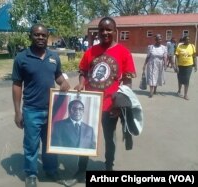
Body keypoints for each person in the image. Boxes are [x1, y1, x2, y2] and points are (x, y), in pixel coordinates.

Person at [65, 16, 136, 187]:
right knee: (84, 136)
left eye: (108, 29)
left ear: (114, 31)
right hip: (89, 103)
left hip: (111, 105)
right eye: (102, 29)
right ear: (98, 31)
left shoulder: (123, 52)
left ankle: (108, 169)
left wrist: (120, 104)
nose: (105, 32)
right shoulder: (91, 51)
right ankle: (81, 171)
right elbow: (82, 70)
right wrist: (81, 82)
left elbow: (127, 81)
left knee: (109, 139)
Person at [11, 23, 70, 187]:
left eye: (43, 35)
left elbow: (57, 75)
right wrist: (17, 112)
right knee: (31, 145)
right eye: (37, 34)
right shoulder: (21, 58)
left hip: (52, 109)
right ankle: (30, 174)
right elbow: (17, 85)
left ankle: (51, 170)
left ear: (47, 37)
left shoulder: (53, 57)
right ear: (31, 36)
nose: (40, 37)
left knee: (50, 143)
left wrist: (63, 83)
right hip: (31, 110)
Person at [175, 35, 197, 100]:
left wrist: (196, 65)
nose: (188, 40)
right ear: (184, 40)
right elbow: (176, 57)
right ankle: (179, 90)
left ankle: (185, 94)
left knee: (187, 80)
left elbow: (194, 56)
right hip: (180, 66)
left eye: (189, 39)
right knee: (180, 78)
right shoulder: (179, 46)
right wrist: (176, 66)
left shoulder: (192, 46)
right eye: (186, 39)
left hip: (189, 66)